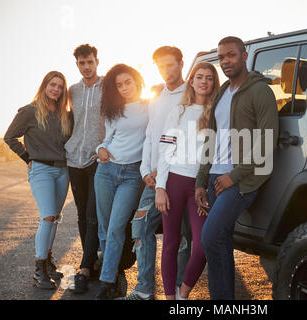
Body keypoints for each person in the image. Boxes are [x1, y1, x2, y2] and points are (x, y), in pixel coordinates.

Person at [195, 36, 279, 300]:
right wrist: (200, 180)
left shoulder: (260, 90)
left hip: (242, 180)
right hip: (215, 177)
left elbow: (268, 141)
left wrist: (234, 176)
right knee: (222, 241)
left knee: (210, 237)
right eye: (221, 57)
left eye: (230, 55)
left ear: (244, 56)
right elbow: (211, 137)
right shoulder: (222, 93)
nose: (225, 61)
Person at [119, 46, 191, 300]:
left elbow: (186, 138)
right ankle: (144, 289)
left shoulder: (190, 95)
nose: (165, 71)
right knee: (139, 226)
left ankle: (179, 290)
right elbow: (150, 135)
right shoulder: (157, 97)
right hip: (152, 179)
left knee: (180, 235)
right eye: (160, 66)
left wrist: (162, 171)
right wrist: (145, 171)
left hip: (178, 176)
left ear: (181, 63)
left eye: (170, 65)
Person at [155, 62, 220, 300]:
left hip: (199, 186)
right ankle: (170, 300)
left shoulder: (216, 113)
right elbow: (165, 150)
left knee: (202, 245)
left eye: (209, 78)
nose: (204, 82)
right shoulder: (178, 111)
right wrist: (161, 187)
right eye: (199, 77)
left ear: (214, 83)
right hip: (173, 180)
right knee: (170, 242)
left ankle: (183, 293)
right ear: (191, 81)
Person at [4, 71, 72, 290]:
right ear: (45, 85)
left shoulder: (65, 115)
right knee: (47, 216)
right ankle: (38, 270)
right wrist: (27, 158)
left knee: (56, 217)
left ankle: (48, 261)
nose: (56, 90)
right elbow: (10, 137)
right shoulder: (29, 111)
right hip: (41, 169)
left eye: (61, 87)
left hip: (63, 171)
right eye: (53, 85)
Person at [93, 64, 149, 300]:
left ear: (137, 81)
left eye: (128, 82)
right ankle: (113, 275)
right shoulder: (114, 109)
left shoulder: (149, 107)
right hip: (106, 171)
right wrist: (101, 148)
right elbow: (107, 139)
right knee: (105, 229)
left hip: (132, 175)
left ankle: (106, 282)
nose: (125, 88)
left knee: (116, 227)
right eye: (119, 85)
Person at [64, 44, 104, 294]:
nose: (86, 67)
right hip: (73, 160)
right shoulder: (72, 90)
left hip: (96, 160)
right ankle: (92, 258)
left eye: (89, 62)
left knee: (93, 215)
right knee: (81, 215)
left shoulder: (107, 87)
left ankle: (86, 267)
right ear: (77, 64)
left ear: (96, 61)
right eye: (81, 63)